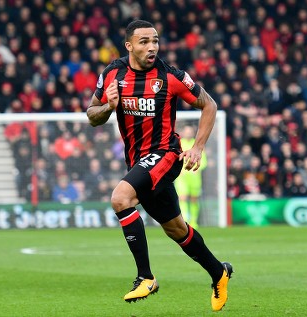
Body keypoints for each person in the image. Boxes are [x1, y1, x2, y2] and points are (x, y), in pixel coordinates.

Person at [86, 20, 232, 312]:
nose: (151, 47)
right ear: (129, 46)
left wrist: (199, 146)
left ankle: (145, 277)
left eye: (154, 41)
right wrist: (109, 106)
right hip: (138, 160)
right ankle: (219, 272)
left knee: (120, 198)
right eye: (143, 42)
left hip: (165, 154)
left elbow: (210, 105)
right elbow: (92, 114)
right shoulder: (113, 73)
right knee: (176, 229)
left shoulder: (170, 76)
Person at [175, 125, 207, 228]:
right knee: (182, 198)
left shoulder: (197, 144)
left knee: (194, 199)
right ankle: (185, 220)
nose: (188, 133)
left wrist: (198, 169)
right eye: (186, 131)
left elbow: (204, 160)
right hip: (182, 177)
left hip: (194, 176)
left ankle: (193, 221)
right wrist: (178, 170)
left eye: (190, 131)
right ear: (183, 132)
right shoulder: (179, 143)